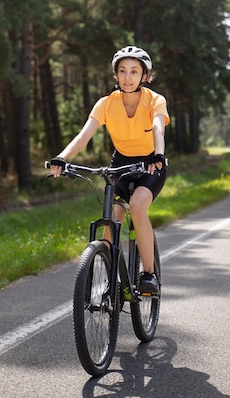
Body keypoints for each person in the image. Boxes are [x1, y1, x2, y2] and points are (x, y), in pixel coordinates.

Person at [50, 45, 170, 294]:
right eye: (123, 71)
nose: (128, 77)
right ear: (115, 75)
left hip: (150, 164)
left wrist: (158, 154)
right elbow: (83, 137)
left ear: (144, 76)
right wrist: (61, 157)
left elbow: (158, 128)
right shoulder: (105, 104)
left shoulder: (155, 100)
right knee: (112, 216)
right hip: (121, 164)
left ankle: (148, 274)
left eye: (134, 71)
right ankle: (111, 277)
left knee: (137, 207)